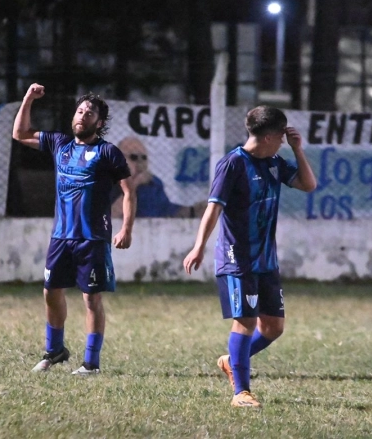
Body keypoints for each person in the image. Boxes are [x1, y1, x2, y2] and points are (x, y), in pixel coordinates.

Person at [183, 105, 316, 407]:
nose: (284, 141)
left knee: (273, 327)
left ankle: (233, 360)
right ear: (268, 136)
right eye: (282, 136)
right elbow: (214, 207)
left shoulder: (275, 162)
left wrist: (298, 151)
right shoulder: (232, 164)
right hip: (237, 257)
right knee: (246, 321)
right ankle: (240, 392)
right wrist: (199, 246)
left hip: (266, 259)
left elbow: (309, 185)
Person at [13, 83, 135, 375]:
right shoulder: (60, 144)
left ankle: (91, 364)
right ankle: (54, 351)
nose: (82, 116)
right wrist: (28, 98)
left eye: (89, 113)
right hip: (61, 237)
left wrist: (126, 229)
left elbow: (128, 192)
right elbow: (20, 134)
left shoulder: (108, 153)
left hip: (92, 238)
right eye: (79, 111)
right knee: (50, 292)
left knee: (91, 298)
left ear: (99, 123)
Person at [110, 136, 207, 218]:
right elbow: (111, 215)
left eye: (143, 158)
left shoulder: (152, 183)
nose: (140, 163)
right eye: (134, 157)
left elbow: (165, 211)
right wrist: (134, 185)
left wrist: (193, 211)